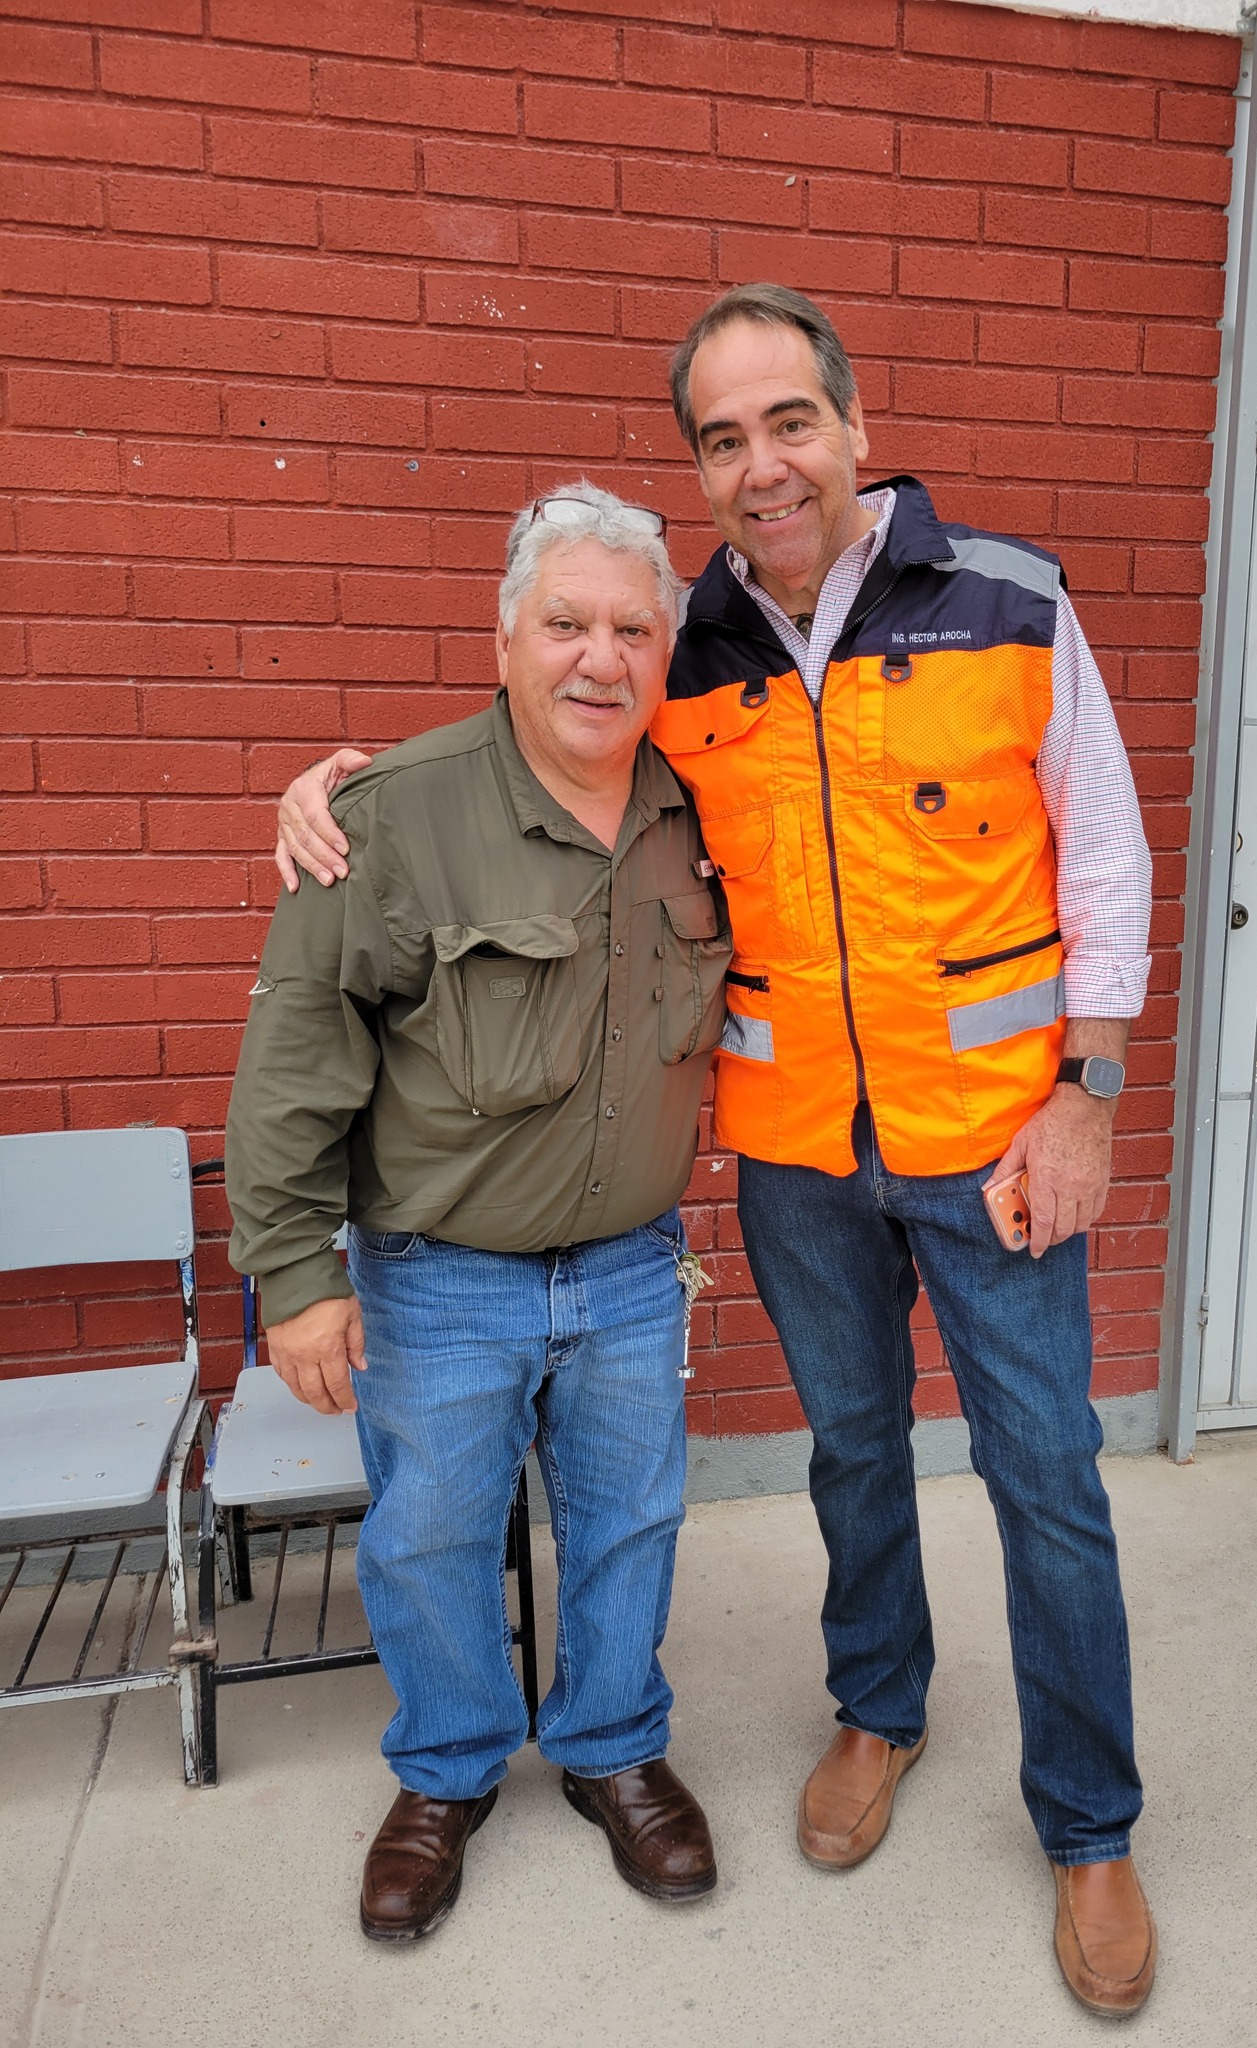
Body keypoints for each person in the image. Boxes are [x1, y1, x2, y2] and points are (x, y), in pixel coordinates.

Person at [277, 285, 1157, 2017]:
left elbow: (1109, 854)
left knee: (1049, 1477)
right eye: (723, 438)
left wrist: (1091, 1094)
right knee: (849, 1453)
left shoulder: (1013, 602)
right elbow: (547, 753)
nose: (763, 465)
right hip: (790, 1157)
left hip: (996, 1150)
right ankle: (879, 1713)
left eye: (790, 422)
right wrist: (341, 796)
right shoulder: (689, 658)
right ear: (698, 465)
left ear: (852, 421)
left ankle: (1091, 1826)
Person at [228, 484, 729, 1943]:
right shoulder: (388, 820)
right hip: (444, 1278)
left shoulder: (702, 808)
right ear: (504, 634)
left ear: (666, 648)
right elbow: (295, 1063)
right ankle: (446, 1770)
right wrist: (292, 1274)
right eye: (565, 622)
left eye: (634, 628)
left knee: (631, 1523)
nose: (601, 658)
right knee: (432, 1536)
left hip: (635, 1269)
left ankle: (613, 1750)